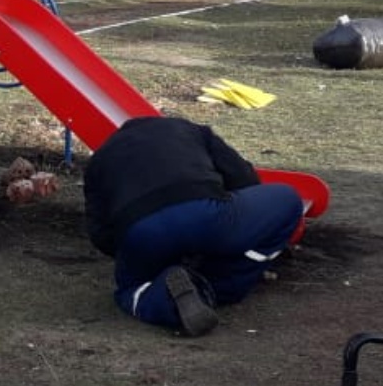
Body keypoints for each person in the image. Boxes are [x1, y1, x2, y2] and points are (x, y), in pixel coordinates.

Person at [83, 115, 304, 336]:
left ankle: (167, 299)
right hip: (207, 212)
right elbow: (243, 178)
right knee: (288, 199)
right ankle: (219, 285)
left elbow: (99, 233)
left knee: (131, 288)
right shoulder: (189, 130)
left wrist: (131, 254)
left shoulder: (100, 159)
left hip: (140, 230)